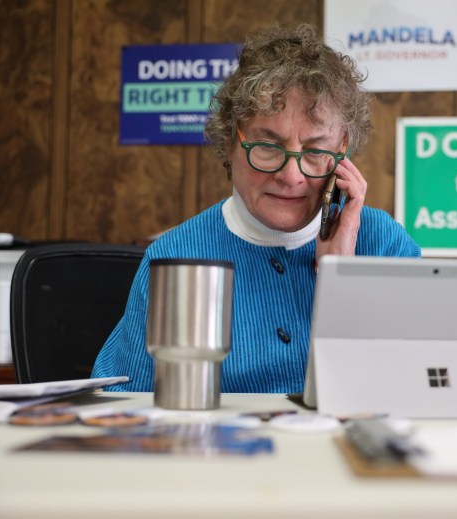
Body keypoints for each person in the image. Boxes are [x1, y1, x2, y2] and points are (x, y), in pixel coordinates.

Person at [91, 24, 421, 393]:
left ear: (341, 150)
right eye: (268, 147)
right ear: (231, 140)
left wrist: (340, 277)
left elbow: (414, 390)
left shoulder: (382, 244)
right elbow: (124, 407)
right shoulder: (175, 257)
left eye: (315, 151)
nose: (292, 176)